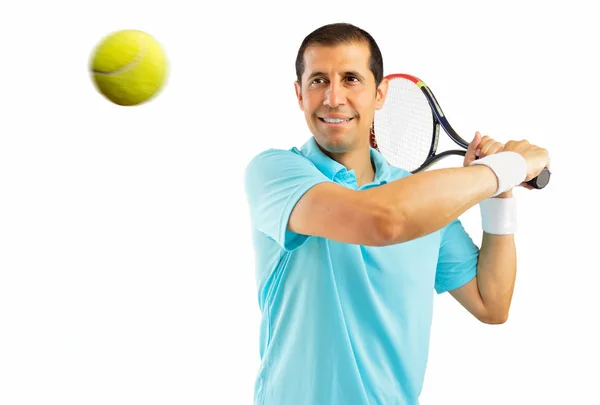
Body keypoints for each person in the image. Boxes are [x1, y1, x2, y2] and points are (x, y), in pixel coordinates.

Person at [243, 22, 550, 405]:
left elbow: (492, 304)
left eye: (351, 79)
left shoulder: (420, 202)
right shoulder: (274, 172)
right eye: (319, 80)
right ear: (299, 94)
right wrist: (506, 169)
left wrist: (500, 194)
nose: (333, 97)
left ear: (380, 93)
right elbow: (382, 220)